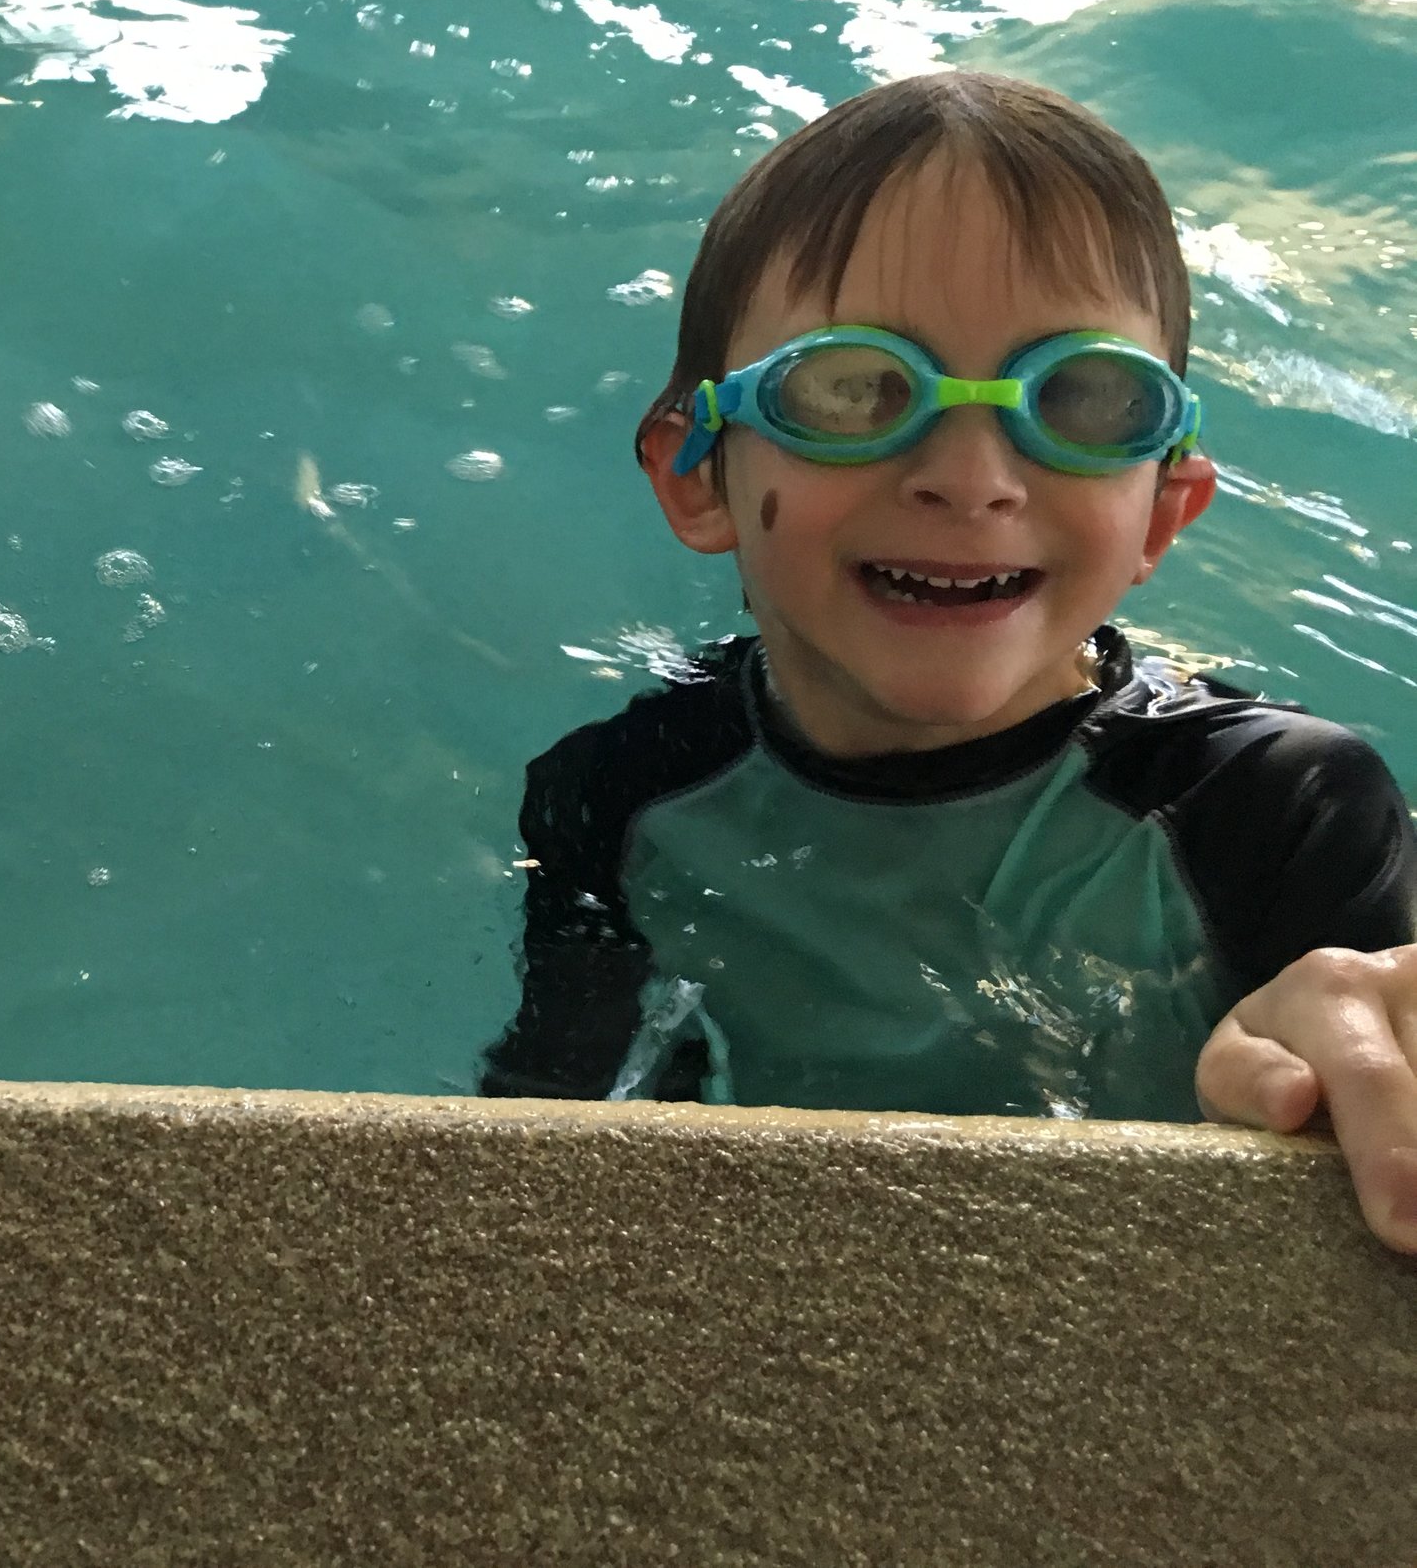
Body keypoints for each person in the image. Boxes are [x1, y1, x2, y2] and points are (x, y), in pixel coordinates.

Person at [484, 71, 1417, 1254]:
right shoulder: (618, 793)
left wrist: (1368, 1035)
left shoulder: (1273, 809)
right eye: (853, 388)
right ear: (698, 475)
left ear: (1161, 514)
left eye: (1079, 399)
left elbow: (1375, 1056)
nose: (970, 476)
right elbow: (538, 1169)